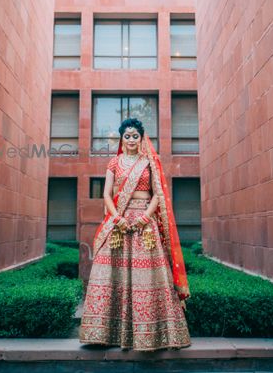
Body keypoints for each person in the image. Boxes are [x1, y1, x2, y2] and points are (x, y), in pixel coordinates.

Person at [79, 117, 191, 351]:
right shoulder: (114, 163)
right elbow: (107, 195)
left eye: (135, 135)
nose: (131, 139)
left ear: (142, 138)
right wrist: (117, 218)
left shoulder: (149, 163)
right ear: (122, 138)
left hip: (144, 223)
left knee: (147, 276)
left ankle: (153, 334)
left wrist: (145, 217)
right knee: (107, 269)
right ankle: (104, 332)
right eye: (127, 136)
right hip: (119, 221)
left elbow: (157, 195)